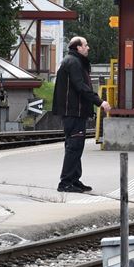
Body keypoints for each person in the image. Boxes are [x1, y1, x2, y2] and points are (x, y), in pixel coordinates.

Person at [52, 35, 111, 194]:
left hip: (74, 111)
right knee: (74, 147)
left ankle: (74, 180)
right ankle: (65, 182)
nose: (88, 47)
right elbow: (81, 86)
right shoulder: (73, 62)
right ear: (78, 47)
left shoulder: (73, 61)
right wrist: (99, 102)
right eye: (85, 45)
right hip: (73, 111)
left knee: (75, 146)